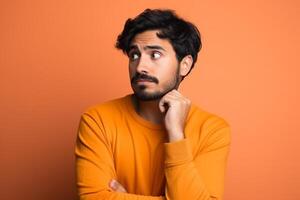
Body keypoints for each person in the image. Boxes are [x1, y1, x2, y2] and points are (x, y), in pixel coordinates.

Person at [75, 8, 231, 200]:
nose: (140, 67)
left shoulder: (212, 130)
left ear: (185, 64)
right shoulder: (97, 120)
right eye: (134, 55)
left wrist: (176, 134)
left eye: (155, 55)